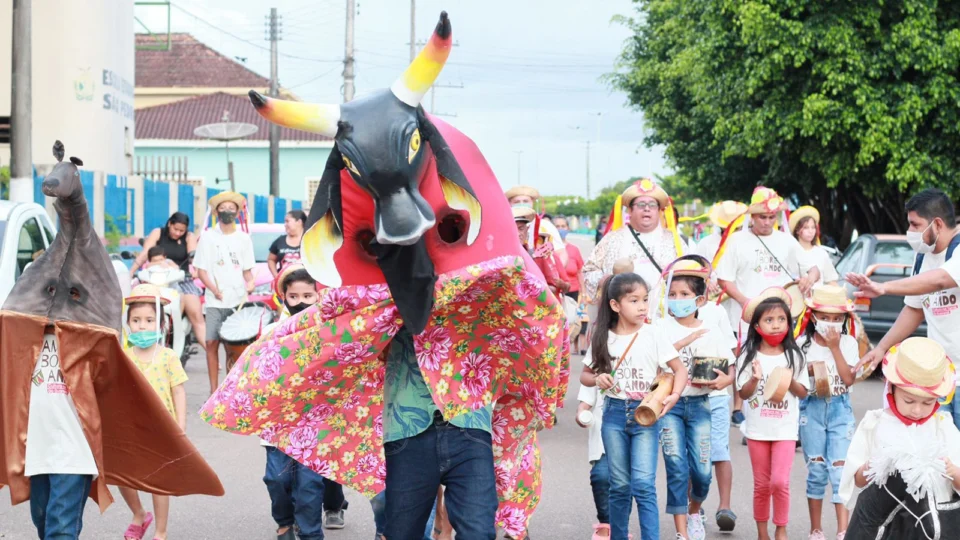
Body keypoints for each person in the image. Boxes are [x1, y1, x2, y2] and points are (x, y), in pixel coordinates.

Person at [0, 143, 222, 540]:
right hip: (34, 446)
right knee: (41, 520)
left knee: (61, 529)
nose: (52, 300)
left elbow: (85, 250)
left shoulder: (91, 342)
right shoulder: (21, 344)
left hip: (74, 448)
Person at [581, 272, 687, 540]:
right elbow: (585, 375)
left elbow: (679, 370)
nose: (642, 306)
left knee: (643, 485)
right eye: (634, 300)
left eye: (645, 300)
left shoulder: (653, 334)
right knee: (619, 486)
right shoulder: (603, 336)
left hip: (646, 416)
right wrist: (597, 378)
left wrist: (674, 395)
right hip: (613, 415)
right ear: (615, 305)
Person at [850, 188, 960, 428]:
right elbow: (914, 310)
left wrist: (884, 288)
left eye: (915, 225)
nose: (910, 232)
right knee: (939, 456)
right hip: (938, 377)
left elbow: (942, 279)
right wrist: (881, 349)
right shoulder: (923, 257)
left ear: (937, 224)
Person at [840, 338, 960, 539]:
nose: (917, 410)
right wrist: (870, 468)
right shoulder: (875, 424)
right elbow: (857, 481)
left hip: (932, 526)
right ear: (891, 388)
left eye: (928, 402)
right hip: (885, 526)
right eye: (909, 400)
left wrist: (953, 472)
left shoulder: (943, 427)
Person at [260, 265, 347, 540]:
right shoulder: (273, 330)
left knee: (309, 486)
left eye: (308, 296)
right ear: (283, 296)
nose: (301, 303)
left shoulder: (330, 329)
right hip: (278, 421)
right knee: (276, 479)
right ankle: (285, 522)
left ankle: (310, 533)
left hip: (317, 421)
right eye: (294, 296)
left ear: (319, 295)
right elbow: (257, 372)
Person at [655, 256, 736, 540]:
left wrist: (725, 379)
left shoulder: (712, 330)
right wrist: (682, 343)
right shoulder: (660, 328)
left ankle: (694, 510)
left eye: (685, 295)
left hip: (701, 405)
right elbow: (654, 364)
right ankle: (682, 531)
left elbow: (727, 368)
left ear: (699, 300)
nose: (678, 300)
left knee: (702, 472)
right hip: (670, 407)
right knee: (676, 466)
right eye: (673, 294)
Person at [736, 287, 810, 540]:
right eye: (769, 320)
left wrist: (787, 381)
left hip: (785, 431)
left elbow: (803, 393)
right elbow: (744, 394)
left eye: (781, 320)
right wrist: (755, 379)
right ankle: (761, 532)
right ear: (757, 325)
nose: (776, 325)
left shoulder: (794, 355)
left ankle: (781, 528)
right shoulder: (748, 355)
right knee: (762, 485)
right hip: (757, 430)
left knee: (780, 482)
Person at [119, 285, 189, 540]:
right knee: (123, 476)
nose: (142, 326)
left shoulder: (168, 357)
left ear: (161, 325)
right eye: (136, 320)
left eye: (149, 320)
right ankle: (139, 514)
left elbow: (178, 392)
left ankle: (161, 531)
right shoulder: (123, 356)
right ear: (127, 324)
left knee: (159, 482)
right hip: (131, 429)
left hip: (162, 430)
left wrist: (180, 426)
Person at [574, 259, 636, 540]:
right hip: (602, 424)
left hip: (633, 422)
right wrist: (583, 409)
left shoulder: (645, 337)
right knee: (601, 477)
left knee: (626, 482)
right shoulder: (600, 340)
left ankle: (619, 528)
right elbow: (588, 379)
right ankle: (606, 524)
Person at [795, 285, 858, 540]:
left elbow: (848, 379)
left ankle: (843, 530)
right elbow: (799, 389)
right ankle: (816, 529)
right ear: (812, 316)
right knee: (817, 469)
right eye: (825, 317)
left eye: (837, 318)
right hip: (812, 409)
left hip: (840, 408)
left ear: (844, 319)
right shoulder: (803, 344)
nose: (831, 323)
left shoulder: (848, 342)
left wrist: (835, 347)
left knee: (840, 471)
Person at [582, 178, 687, 323]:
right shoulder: (612, 239)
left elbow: (690, 275)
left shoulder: (674, 241)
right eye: (641, 205)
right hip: (620, 322)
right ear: (630, 210)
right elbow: (589, 270)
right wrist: (605, 280)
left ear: (659, 210)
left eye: (652, 205)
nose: (647, 209)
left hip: (664, 320)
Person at [194, 191, 256, 395]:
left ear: (238, 212)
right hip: (214, 302)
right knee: (211, 343)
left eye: (231, 208)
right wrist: (214, 290)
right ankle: (213, 392)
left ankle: (233, 392)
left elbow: (248, 272)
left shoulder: (244, 239)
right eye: (223, 208)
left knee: (234, 348)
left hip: (237, 302)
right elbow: (201, 271)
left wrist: (251, 283)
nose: (227, 211)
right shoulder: (208, 238)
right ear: (215, 211)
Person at [128, 212, 205, 359]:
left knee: (196, 315)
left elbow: (194, 258)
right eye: (175, 229)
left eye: (181, 231)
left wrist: (195, 271)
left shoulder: (189, 237)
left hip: (181, 279)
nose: (178, 233)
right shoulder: (158, 233)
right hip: (155, 279)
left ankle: (210, 353)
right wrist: (132, 271)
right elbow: (145, 253)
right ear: (169, 224)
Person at [505, 185, 568, 265]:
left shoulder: (546, 225)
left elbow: (561, 253)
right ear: (509, 203)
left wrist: (553, 274)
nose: (521, 204)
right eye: (517, 202)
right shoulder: (505, 225)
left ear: (532, 202)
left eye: (525, 201)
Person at [789, 206, 839, 286]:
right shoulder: (790, 252)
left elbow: (831, 281)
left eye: (813, 227)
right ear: (797, 230)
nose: (810, 231)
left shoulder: (821, 253)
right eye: (806, 227)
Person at [268, 210, 306, 277]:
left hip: (305, 283)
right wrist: (276, 276)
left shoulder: (308, 241)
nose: (285, 224)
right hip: (284, 284)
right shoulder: (280, 241)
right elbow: (271, 259)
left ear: (299, 222)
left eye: (287, 221)